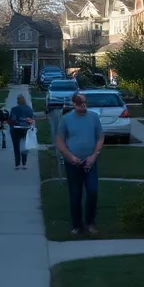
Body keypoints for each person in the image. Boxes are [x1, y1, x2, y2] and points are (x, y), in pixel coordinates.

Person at [56, 92, 103, 235]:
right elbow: (60, 141)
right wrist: (70, 156)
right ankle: (77, 225)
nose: (84, 105)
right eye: (80, 103)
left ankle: (90, 222)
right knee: (75, 195)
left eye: (85, 103)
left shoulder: (94, 118)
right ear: (74, 104)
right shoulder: (66, 119)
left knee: (92, 191)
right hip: (73, 164)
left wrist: (94, 155)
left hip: (90, 163)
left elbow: (100, 137)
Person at [7, 94, 35, 170]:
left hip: (15, 129)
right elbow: (32, 120)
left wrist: (10, 123)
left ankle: (17, 164)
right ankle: (24, 163)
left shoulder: (14, 109)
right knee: (25, 146)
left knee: (16, 146)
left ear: (18, 101)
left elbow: (12, 120)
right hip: (26, 129)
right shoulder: (29, 109)